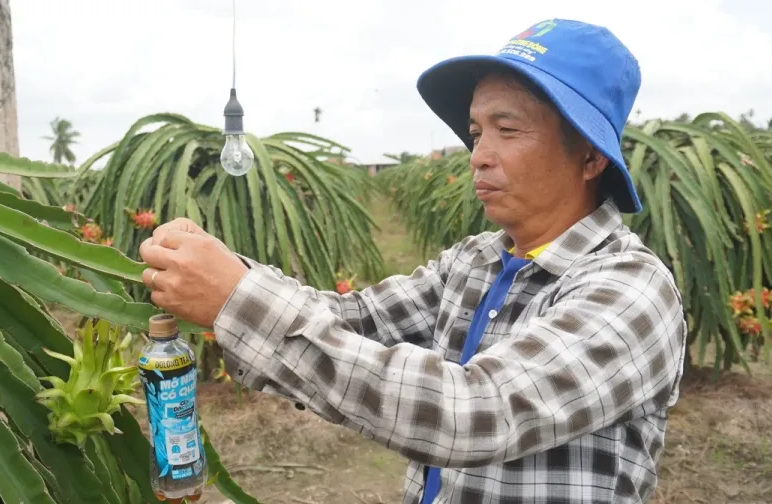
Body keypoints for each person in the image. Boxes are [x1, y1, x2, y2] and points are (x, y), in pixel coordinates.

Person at [139, 18, 687, 504]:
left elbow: (475, 414)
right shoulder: (473, 262)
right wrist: (223, 273)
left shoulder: (632, 291)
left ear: (590, 156)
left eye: (508, 128)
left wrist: (237, 297)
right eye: (476, 133)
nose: (479, 155)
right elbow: (349, 319)